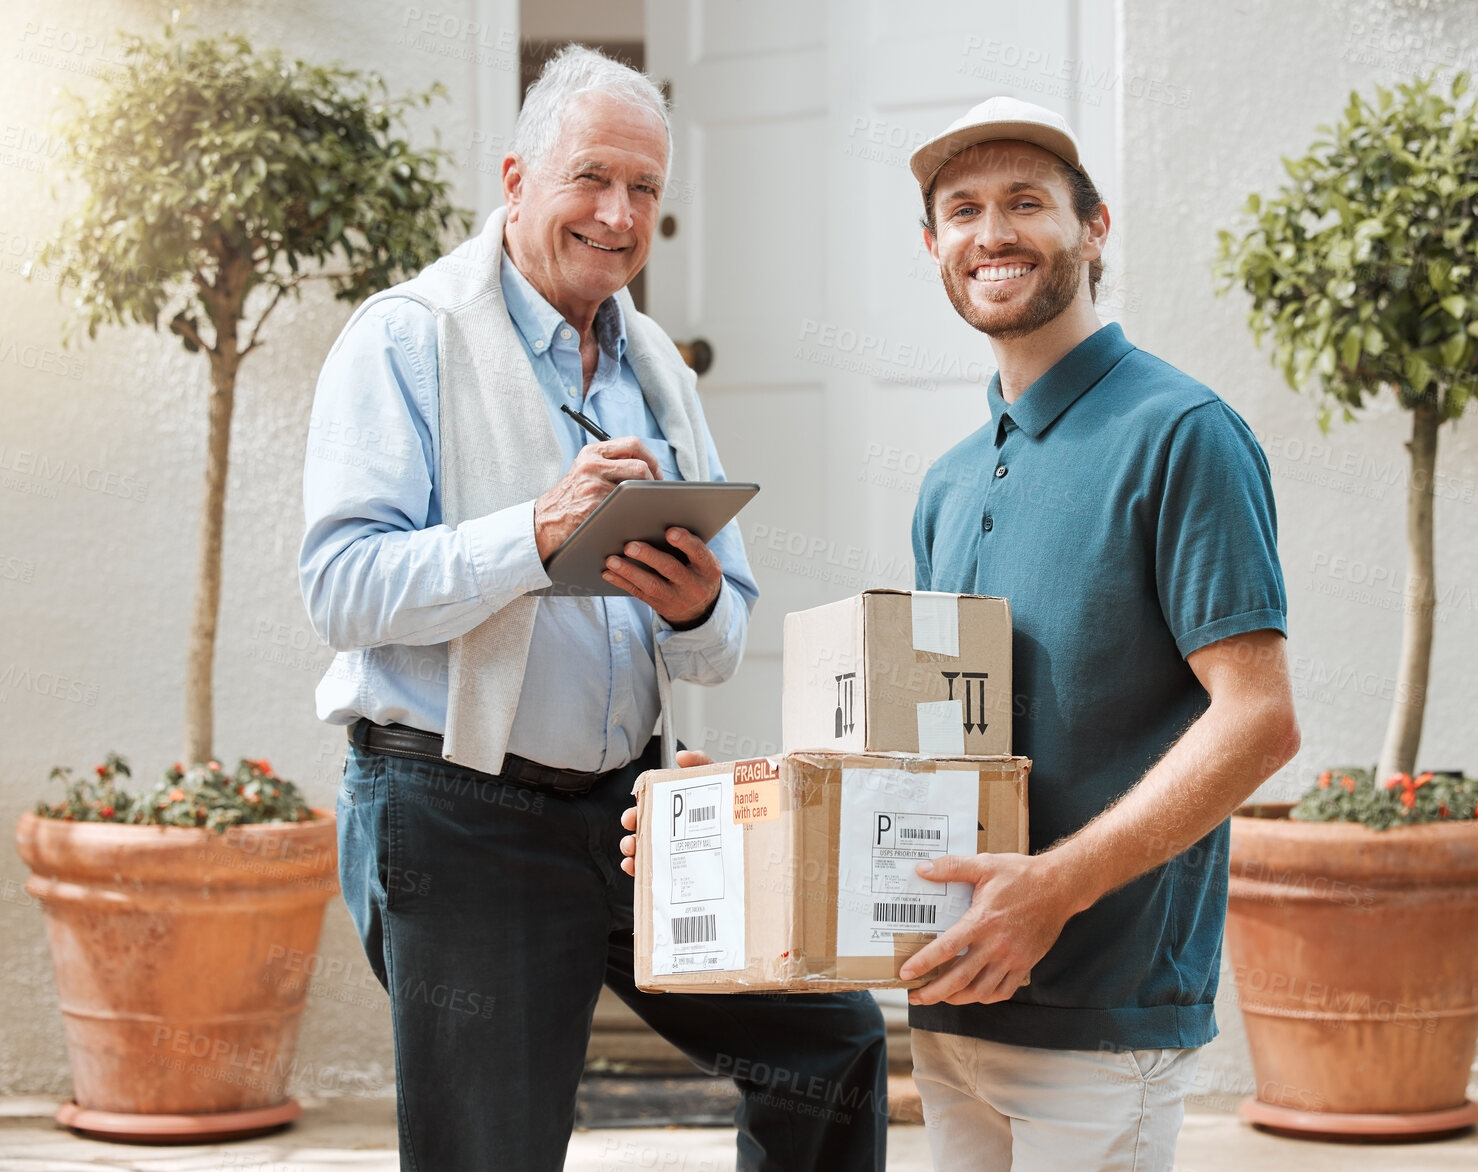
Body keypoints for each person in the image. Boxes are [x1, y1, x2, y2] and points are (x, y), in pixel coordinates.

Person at [299, 44, 886, 1172]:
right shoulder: (404, 337)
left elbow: (720, 631)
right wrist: (532, 534)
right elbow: (340, 586)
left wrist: (696, 603)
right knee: (493, 1151)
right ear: (517, 178)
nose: (619, 215)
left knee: (830, 1041)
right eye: (591, 178)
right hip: (459, 812)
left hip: (633, 814)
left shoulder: (654, 361)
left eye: (646, 190)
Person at [894, 96, 1302, 1171]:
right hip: (956, 994)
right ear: (932, 245)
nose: (993, 234)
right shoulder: (945, 483)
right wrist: (748, 811)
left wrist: (1055, 890)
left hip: (1101, 1009)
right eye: (963, 210)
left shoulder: (1181, 433)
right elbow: (933, 743)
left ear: (1095, 228)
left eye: (1027, 203)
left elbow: (1259, 722)